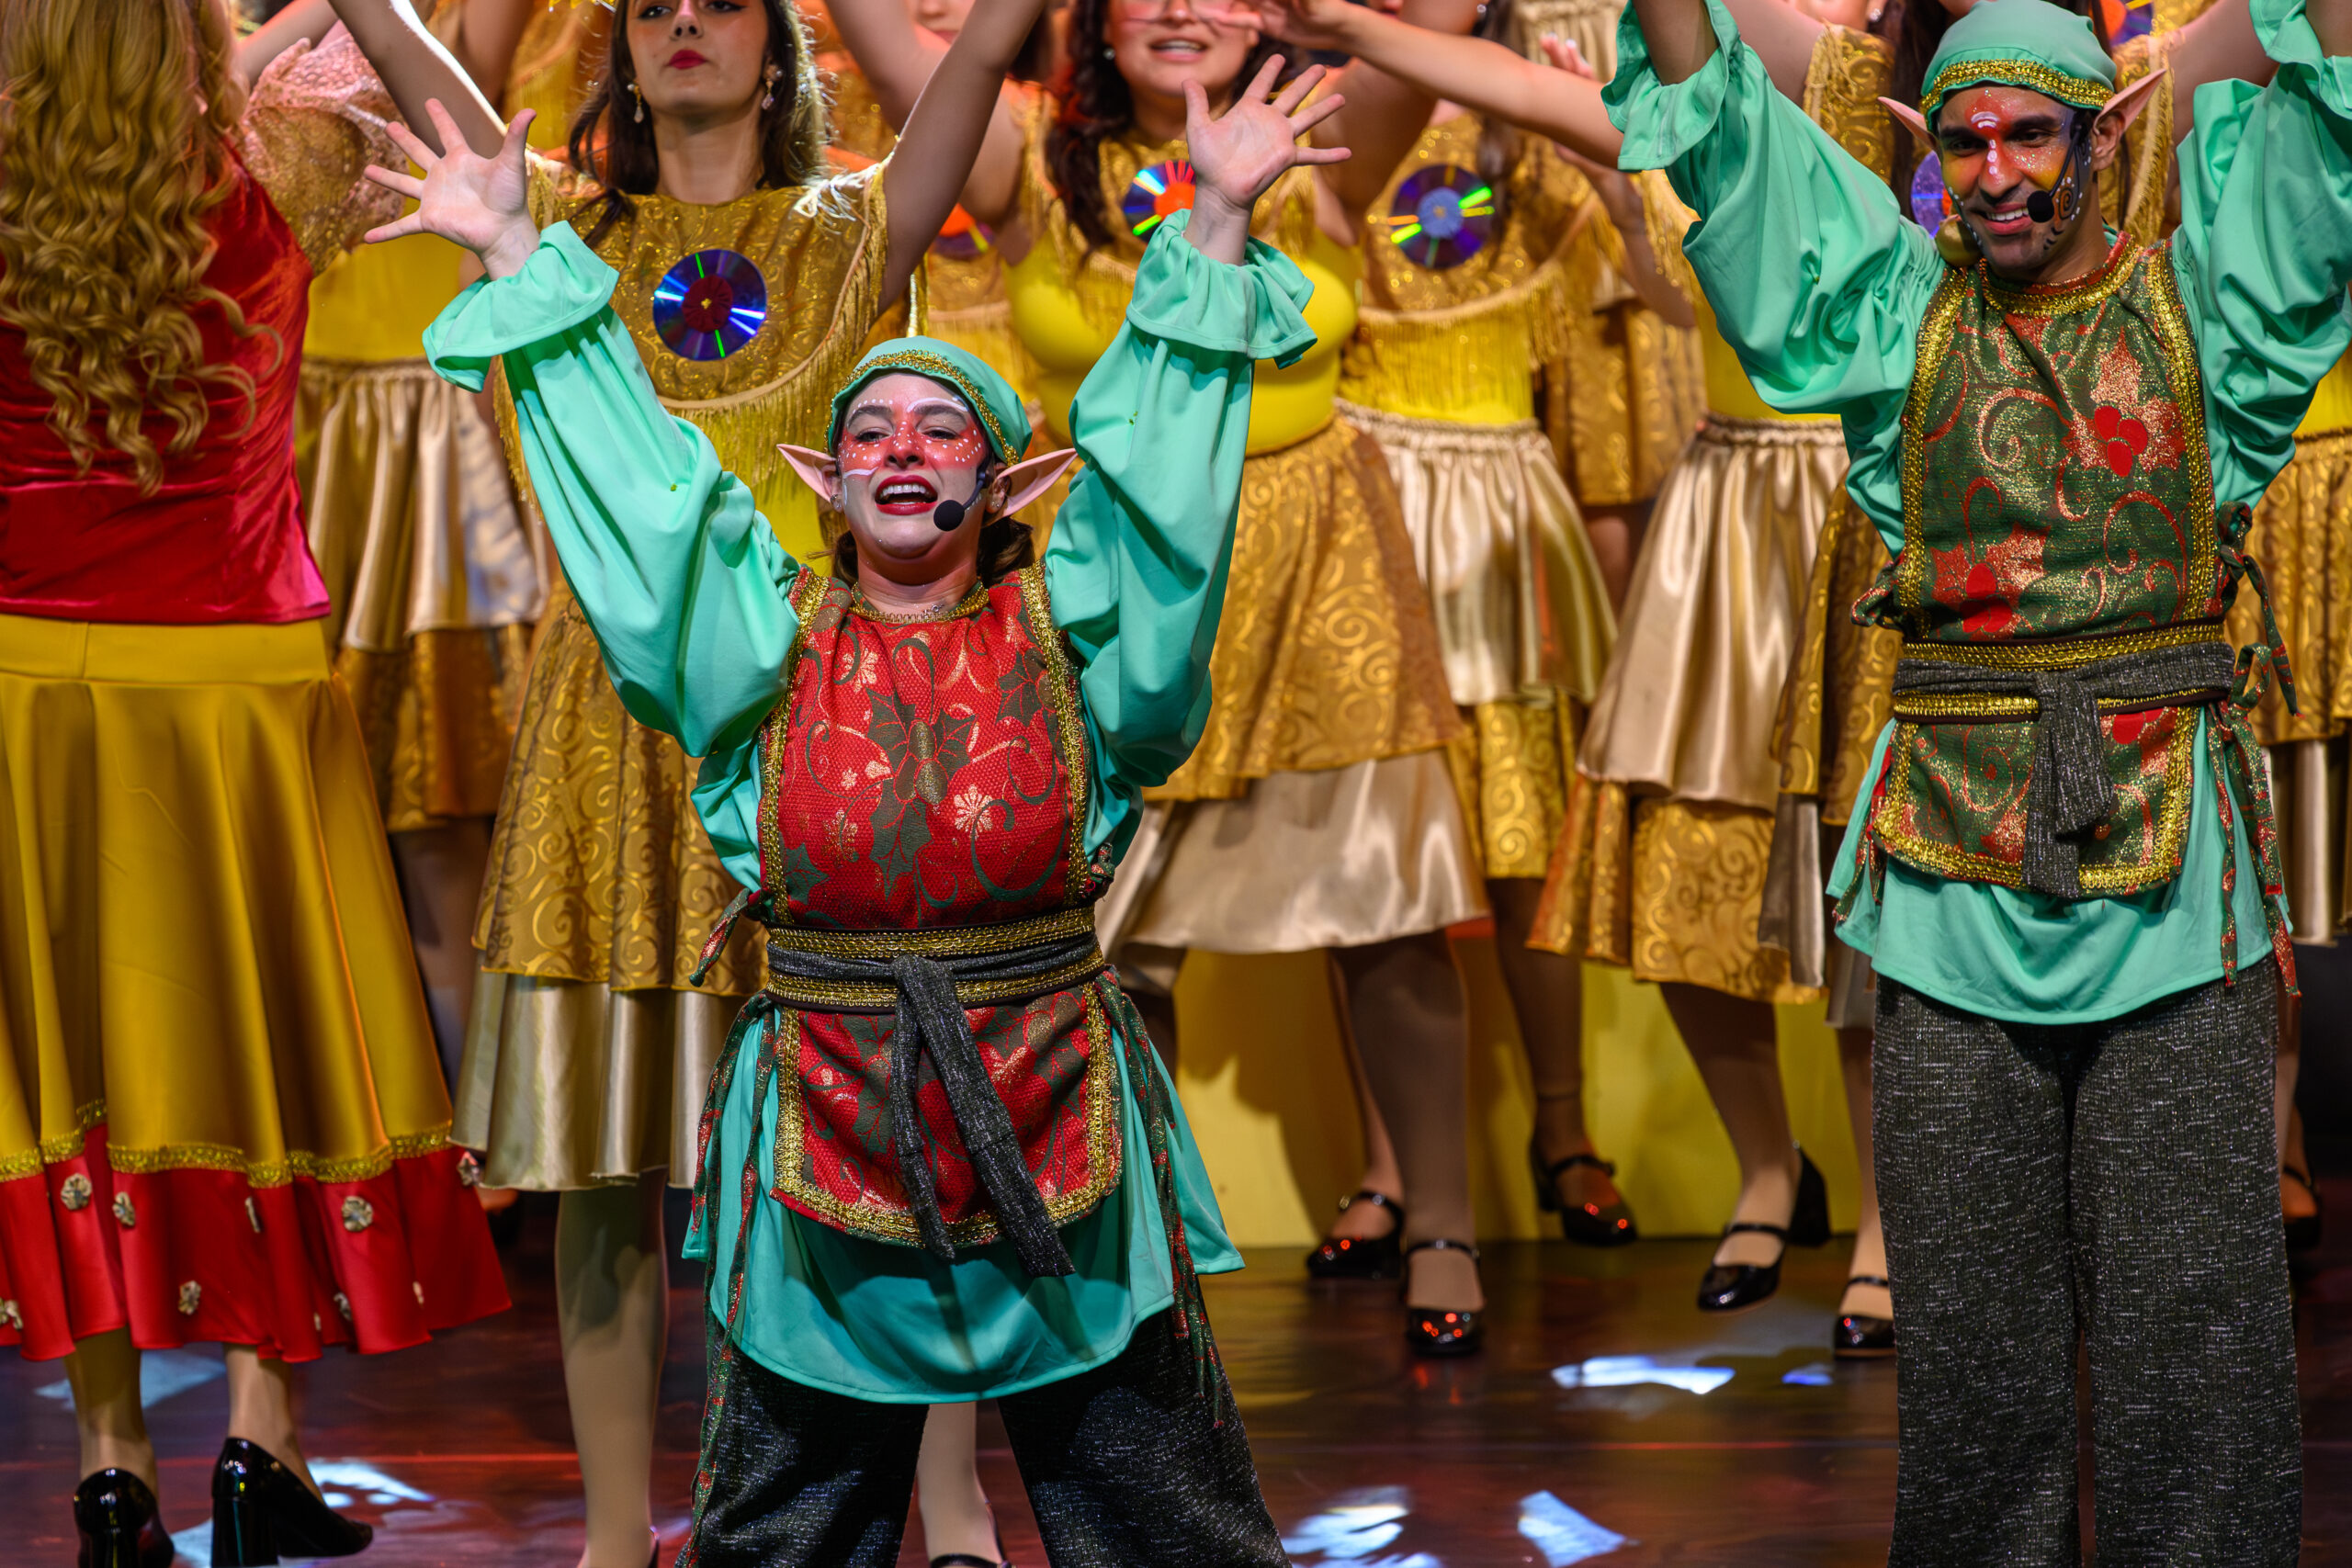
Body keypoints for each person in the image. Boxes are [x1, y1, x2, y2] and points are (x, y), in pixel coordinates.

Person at [382, 38, 1334, 1561]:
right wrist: (513, 254)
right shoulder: (755, 655)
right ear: (825, 481)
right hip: (828, 1134)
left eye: (942, 430)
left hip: (1059, 1120)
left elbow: (1164, 496)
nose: (902, 448)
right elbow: (651, 505)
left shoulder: (1083, 647)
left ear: (1006, 485)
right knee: (785, 1535)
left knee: (1167, 1526)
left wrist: (1215, 224)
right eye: (872, 431)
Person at [1609, 0, 2348, 1550]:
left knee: (2193, 1336)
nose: (1996, 172)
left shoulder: (2204, 317)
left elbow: (2330, 120)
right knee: (1974, 1350)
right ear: (1920, 148)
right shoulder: (1896, 318)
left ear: (2109, 133)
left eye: (2029, 135)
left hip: (2174, 895)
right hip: (1950, 892)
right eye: (1964, 142)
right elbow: (1727, 141)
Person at [437, 0, 1068, 1562]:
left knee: (897, 1132)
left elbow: (982, 64)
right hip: (609, 731)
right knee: (606, 1162)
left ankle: (946, 1504)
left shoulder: (854, 228)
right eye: (652, 3)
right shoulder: (555, 229)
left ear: (780, 48)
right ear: (615, 54)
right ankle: (611, 1533)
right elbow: (422, 81)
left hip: (826, 715)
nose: (684, 20)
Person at [831, 0, 1516, 1358]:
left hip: (1318, 564)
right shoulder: (1029, 152)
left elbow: (1442, 16)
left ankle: (1442, 1220)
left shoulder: (1320, 123)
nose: (1180, 7)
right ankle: (1121, 1237)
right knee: (1110, 934)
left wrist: (1331, 16)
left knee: (1389, 914)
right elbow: (897, 46)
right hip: (1114, 578)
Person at [0, 1, 514, 1562]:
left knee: (80, 1074)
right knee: (256, 1050)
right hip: (234, 675)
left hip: (28, 681)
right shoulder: (283, 155)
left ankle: (110, 1464)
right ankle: (254, 1435)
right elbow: (478, 148)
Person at [291, 0, 545, 1089]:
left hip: (426, 426)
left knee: (446, 806)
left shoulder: (445, 16)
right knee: (325, 807)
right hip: (295, 416)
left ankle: (487, 1108)